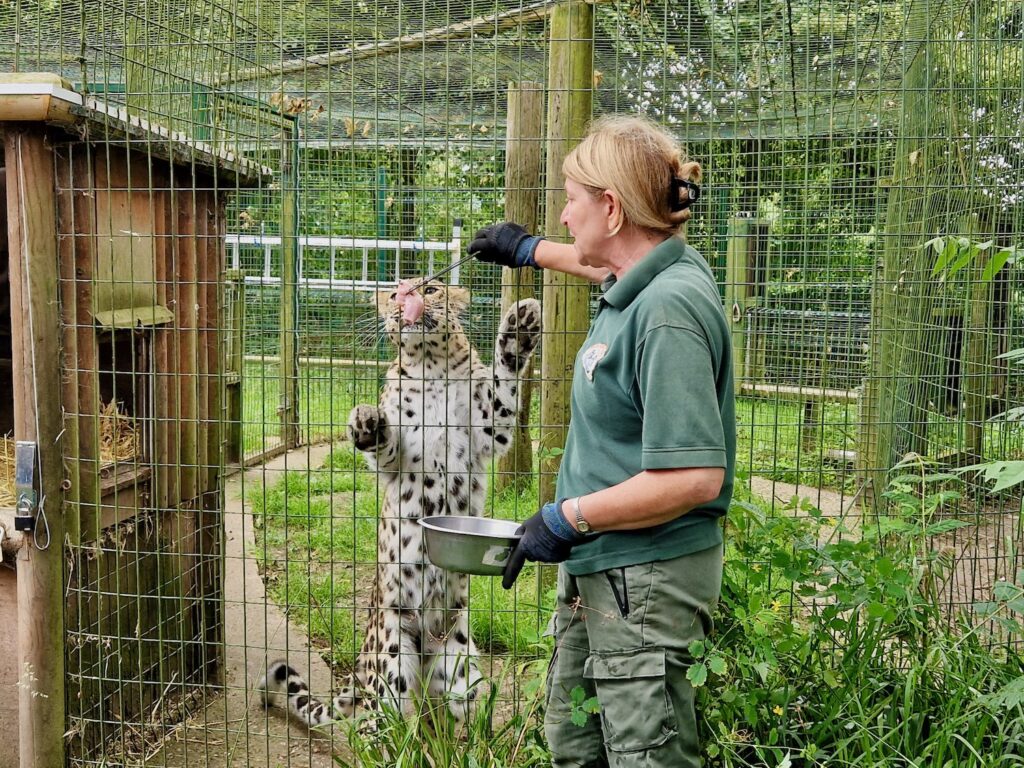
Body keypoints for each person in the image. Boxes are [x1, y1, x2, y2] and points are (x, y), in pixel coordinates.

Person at [468, 115, 735, 768]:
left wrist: (567, 516)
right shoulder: (647, 277)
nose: (563, 217)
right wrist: (529, 250)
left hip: (645, 582)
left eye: (571, 201)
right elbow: (603, 268)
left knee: (645, 757)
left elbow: (697, 478)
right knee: (575, 746)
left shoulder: (668, 314)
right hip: (604, 574)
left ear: (611, 208)